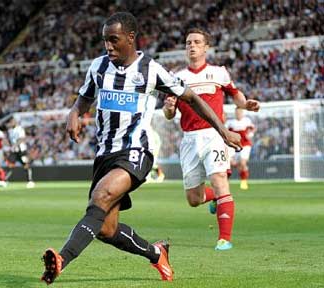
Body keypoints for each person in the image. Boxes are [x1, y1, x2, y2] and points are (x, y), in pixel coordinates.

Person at [41, 13, 242, 285]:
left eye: (114, 40)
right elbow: (84, 98)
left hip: (137, 151)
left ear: (131, 38)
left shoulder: (151, 69)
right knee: (106, 229)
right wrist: (74, 113)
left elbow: (192, 98)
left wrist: (223, 130)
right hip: (105, 155)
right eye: (105, 41)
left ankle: (62, 259)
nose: (108, 46)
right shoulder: (98, 67)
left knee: (101, 196)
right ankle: (156, 253)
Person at [162, 28, 260, 251]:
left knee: (219, 182)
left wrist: (245, 105)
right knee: (194, 199)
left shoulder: (219, 72)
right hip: (189, 139)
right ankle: (216, 198)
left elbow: (235, 94)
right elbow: (169, 114)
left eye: (197, 42)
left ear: (206, 47)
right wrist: (168, 109)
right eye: (188, 43)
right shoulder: (177, 78)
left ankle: (224, 239)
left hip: (215, 135)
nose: (192, 46)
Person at [226, 108, 256, 190]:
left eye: (240, 112)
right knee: (230, 163)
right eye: (237, 112)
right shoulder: (230, 123)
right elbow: (225, 132)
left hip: (245, 145)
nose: (238, 114)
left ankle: (243, 182)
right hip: (234, 146)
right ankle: (226, 182)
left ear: (242, 113)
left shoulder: (247, 121)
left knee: (243, 163)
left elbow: (253, 128)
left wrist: (250, 134)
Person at [6, 118, 34, 189]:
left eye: (12, 122)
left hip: (21, 150)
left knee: (26, 164)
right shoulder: (10, 131)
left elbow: (22, 139)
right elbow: (11, 140)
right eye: (10, 122)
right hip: (14, 151)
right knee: (10, 165)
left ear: (15, 122)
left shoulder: (20, 129)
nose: (11, 123)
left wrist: (16, 145)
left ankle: (30, 181)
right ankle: (4, 180)